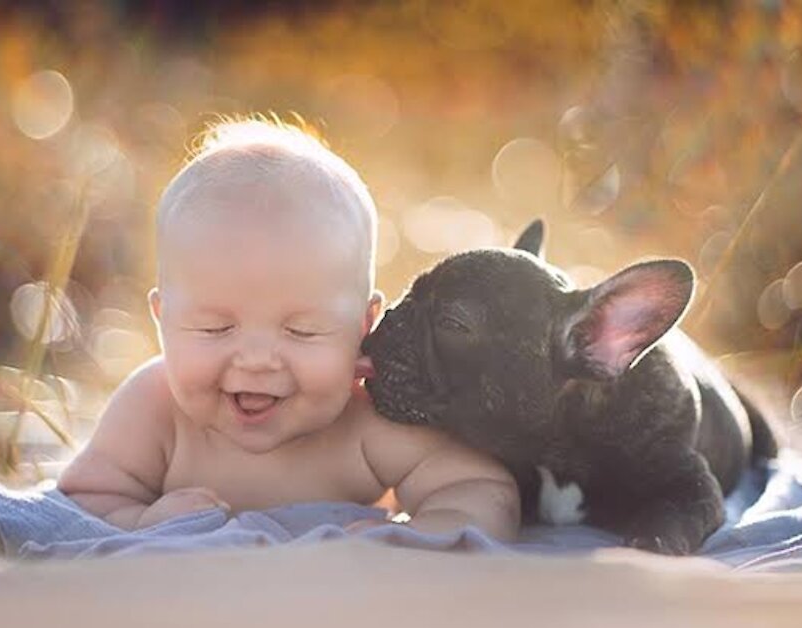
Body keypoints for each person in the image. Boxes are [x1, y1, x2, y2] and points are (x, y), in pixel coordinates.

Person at [58, 117, 518, 541]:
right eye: (215, 327)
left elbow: (479, 486)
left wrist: (426, 531)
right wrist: (140, 522)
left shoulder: (366, 421)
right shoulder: (153, 411)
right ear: (163, 321)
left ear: (363, 327)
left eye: (302, 331)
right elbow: (81, 502)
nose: (257, 359)